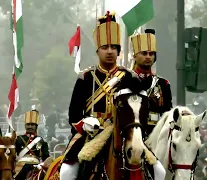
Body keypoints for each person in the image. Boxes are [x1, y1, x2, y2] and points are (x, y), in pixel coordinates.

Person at [59, 11, 164, 180]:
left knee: (159, 171)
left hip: (124, 132)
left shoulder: (130, 76)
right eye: (105, 47)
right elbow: (74, 114)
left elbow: (141, 106)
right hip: (91, 134)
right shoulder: (86, 77)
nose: (109, 51)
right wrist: (85, 123)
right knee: (66, 172)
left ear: (119, 51)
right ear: (97, 50)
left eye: (114, 48)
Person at [131, 29, 173, 134]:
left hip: (156, 136)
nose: (148, 57)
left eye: (151, 54)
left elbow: (167, 114)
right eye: (144, 53)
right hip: (131, 134)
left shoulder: (163, 84)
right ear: (135, 56)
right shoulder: (125, 80)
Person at [15, 109, 50, 180]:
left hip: (36, 168)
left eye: (32, 125)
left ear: (36, 126)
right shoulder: (18, 139)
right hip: (20, 168)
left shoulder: (41, 141)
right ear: (25, 125)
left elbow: (46, 158)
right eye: (28, 124)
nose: (30, 127)